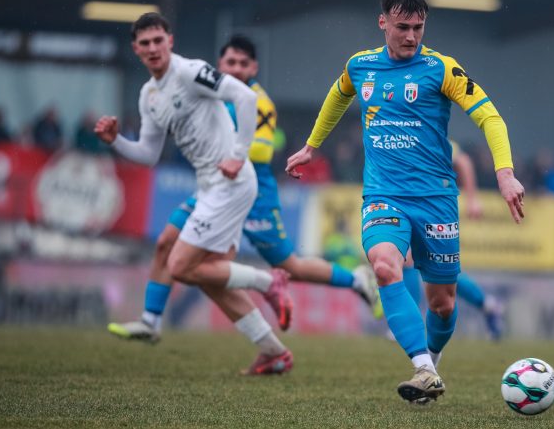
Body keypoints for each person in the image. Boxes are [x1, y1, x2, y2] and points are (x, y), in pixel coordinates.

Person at [285, 0, 524, 403]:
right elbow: (338, 96)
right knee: (383, 266)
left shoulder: (442, 69)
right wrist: (311, 146)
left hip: (436, 199)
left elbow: (490, 117)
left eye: (418, 27)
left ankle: (431, 358)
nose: (411, 36)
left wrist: (505, 175)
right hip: (384, 194)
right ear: (383, 23)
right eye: (402, 27)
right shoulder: (360, 66)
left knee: (444, 303)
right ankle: (424, 369)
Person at [108, 34, 381, 346]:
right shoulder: (211, 93)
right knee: (169, 245)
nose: (236, 69)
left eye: (243, 63)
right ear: (219, 65)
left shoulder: (257, 101)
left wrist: (229, 152)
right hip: (216, 187)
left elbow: (262, 152)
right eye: (230, 62)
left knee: (285, 264)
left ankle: (354, 280)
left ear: (254, 68)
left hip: (252, 190)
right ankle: (152, 321)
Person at [95, 12, 293, 375]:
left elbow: (246, 98)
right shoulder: (149, 95)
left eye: (159, 40)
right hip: (209, 186)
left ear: (170, 41)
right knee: (206, 274)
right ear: (135, 49)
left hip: (231, 182)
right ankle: (273, 351)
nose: (153, 48)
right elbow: (148, 155)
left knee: (181, 264)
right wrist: (116, 142)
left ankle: (269, 281)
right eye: (145, 43)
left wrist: (237, 155)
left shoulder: (189, 72)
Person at [401, 140, 504, 340]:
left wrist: (472, 199)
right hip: (411, 205)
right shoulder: (399, 133)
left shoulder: (429, 133)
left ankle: (487, 305)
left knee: (437, 268)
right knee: (411, 261)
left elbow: (463, 161)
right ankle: (488, 305)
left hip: (437, 207)